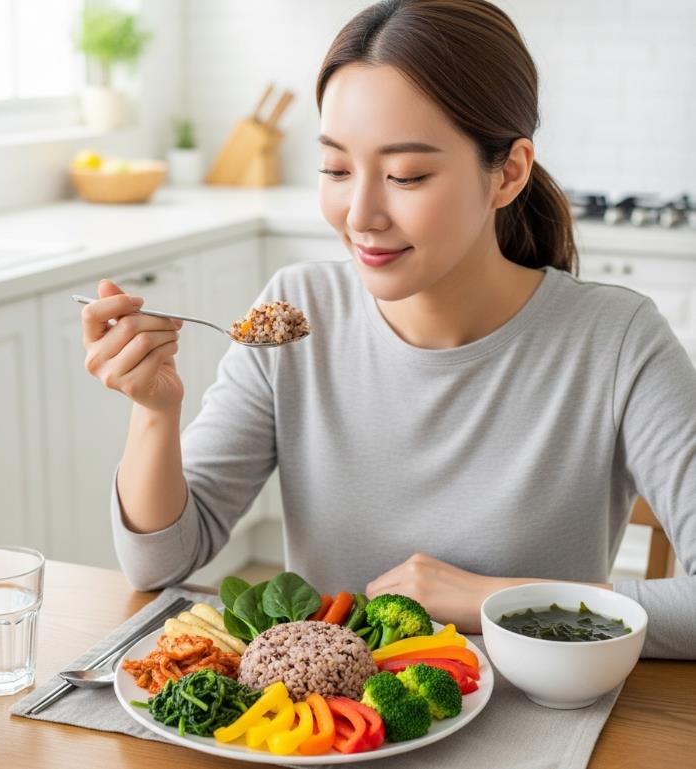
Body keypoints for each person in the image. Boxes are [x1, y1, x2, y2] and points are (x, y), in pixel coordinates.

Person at [80, 0, 695, 659]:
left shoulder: (616, 338)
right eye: (336, 170)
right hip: (330, 734)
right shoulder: (294, 312)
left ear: (508, 173)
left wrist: (494, 599)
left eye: (406, 175)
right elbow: (157, 564)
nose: (361, 214)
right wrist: (154, 412)